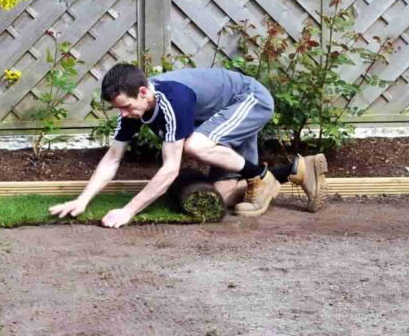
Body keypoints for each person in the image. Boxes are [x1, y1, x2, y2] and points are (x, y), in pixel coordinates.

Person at [48, 64, 327, 228]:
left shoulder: (172, 99)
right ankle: (297, 170)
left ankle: (260, 177)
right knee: (222, 196)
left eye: (125, 106)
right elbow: (112, 159)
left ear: (143, 92)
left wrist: (128, 211)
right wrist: (82, 200)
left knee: (194, 146)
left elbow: (171, 169)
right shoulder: (136, 108)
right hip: (220, 115)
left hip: (248, 99)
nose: (123, 114)